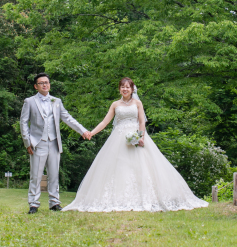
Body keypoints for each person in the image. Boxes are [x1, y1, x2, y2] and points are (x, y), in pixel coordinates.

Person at [62, 77, 208, 212]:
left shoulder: (138, 103)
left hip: (136, 137)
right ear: (119, 89)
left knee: (142, 167)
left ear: (132, 89)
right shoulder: (115, 104)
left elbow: (141, 121)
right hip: (118, 139)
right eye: (122, 87)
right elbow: (105, 122)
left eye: (127, 87)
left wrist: (141, 137)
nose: (125, 89)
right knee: (119, 167)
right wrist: (91, 133)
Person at [20, 73, 91, 213]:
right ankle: (33, 204)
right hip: (37, 143)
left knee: (54, 174)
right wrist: (27, 142)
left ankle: (54, 203)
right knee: (36, 175)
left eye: (46, 82)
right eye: (41, 83)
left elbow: (67, 118)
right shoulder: (29, 101)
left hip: (54, 142)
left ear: (49, 84)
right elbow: (23, 122)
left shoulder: (56, 101)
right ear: (35, 86)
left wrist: (82, 130)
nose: (44, 85)